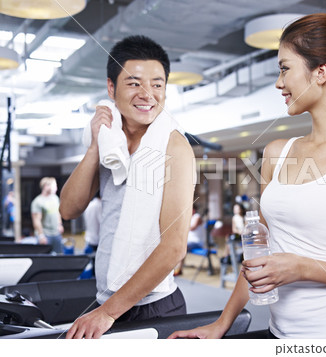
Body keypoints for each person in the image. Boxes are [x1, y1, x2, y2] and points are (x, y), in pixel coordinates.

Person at [169, 13, 326, 339]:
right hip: (279, 334)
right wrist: (221, 325)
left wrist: (303, 268)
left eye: (284, 68)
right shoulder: (278, 152)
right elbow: (256, 247)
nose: (278, 83)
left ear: (321, 72)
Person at [59, 35, 195, 339]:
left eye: (157, 85)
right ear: (111, 88)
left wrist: (107, 312)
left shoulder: (175, 146)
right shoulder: (111, 141)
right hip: (106, 297)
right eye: (134, 83)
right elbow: (68, 209)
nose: (147, 94)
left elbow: (174, 247)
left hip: (155, 306)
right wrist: (96, 145)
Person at [31, 177, 64, 253]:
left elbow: (58, 213)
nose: (56, 188)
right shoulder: (38, 201)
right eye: (54, 186)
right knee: (45, 258)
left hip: (56, 233)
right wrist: (41, 236)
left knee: (59, 255)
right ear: (46, 186)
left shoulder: (55, 198)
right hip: (45, 234)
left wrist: (60, 224)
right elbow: (36, 220)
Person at [174, 204, 206, 276]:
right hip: (190, 242)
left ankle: (179, 269)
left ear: (193, 210)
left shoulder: (197, 217)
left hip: (197, 242)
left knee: (181, 248)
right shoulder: (190, 218)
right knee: (178, 247)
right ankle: (178, 268)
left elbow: (192, 228)